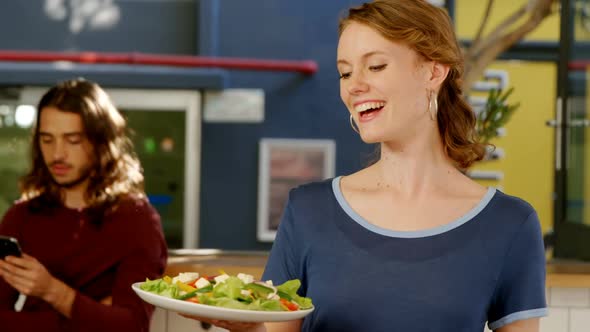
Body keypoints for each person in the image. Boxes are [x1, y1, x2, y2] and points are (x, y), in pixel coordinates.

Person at [186, 1, 548, 331]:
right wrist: (247, 323)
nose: (355, 86)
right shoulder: (308, 211)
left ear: (433, 72)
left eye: (375, 66)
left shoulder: (509, 224)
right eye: (345, 73)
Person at [0, 78, 168, 331]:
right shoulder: (21, 216)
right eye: (47, 140)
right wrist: (91, 314)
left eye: (73, 140)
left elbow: (132, 326)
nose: (57, 154)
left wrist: (53, 292)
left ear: (100, 142)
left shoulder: (136, 220)